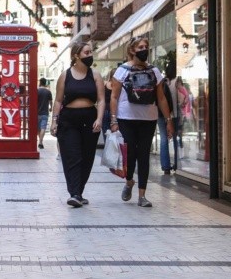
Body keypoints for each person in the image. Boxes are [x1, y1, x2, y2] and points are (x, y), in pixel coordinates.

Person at [109, 37, 174, 208]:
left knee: (144, 155)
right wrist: (113, 119)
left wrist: (168, 120)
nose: (144, 49)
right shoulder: (122, 70)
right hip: (126, 117)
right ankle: (129, 181)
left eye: (146, 46)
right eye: (140, 47)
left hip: (148, 118)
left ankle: (142, 195)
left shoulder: (154, 71)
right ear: (132, 50)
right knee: (130, 154)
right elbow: (113, 97)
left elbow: (161, 98)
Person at [50, 42, 105, 207]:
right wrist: (54, 121)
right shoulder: (65, 75)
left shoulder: (95, 74)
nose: (90, 55)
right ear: (76, 55)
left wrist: (99, 119)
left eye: (90, 52)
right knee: (72, 156)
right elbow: (58, 100)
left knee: (87, 157)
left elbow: (102, 99)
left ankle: (79, 192)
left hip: (90, 118)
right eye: (86, 52)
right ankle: (74, 193)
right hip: (69, 120)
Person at [156, 64, 179, 174]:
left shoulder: (163, 83)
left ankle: (165, 166)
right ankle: (177, 163)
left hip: (161, 114)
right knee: (175, 139)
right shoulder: (177, 82)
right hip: (173, 115)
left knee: (164, 139)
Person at [37, 78, 53, 149]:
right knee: (43, 127)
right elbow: (50, 102)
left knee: (38, 128)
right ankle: (40, 142)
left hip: (37, 113)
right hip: (45, 113)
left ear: (40, 82)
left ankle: (40, 141)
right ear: (45, 83)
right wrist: (51, 108)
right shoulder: (48, 92)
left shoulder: (37, 91)